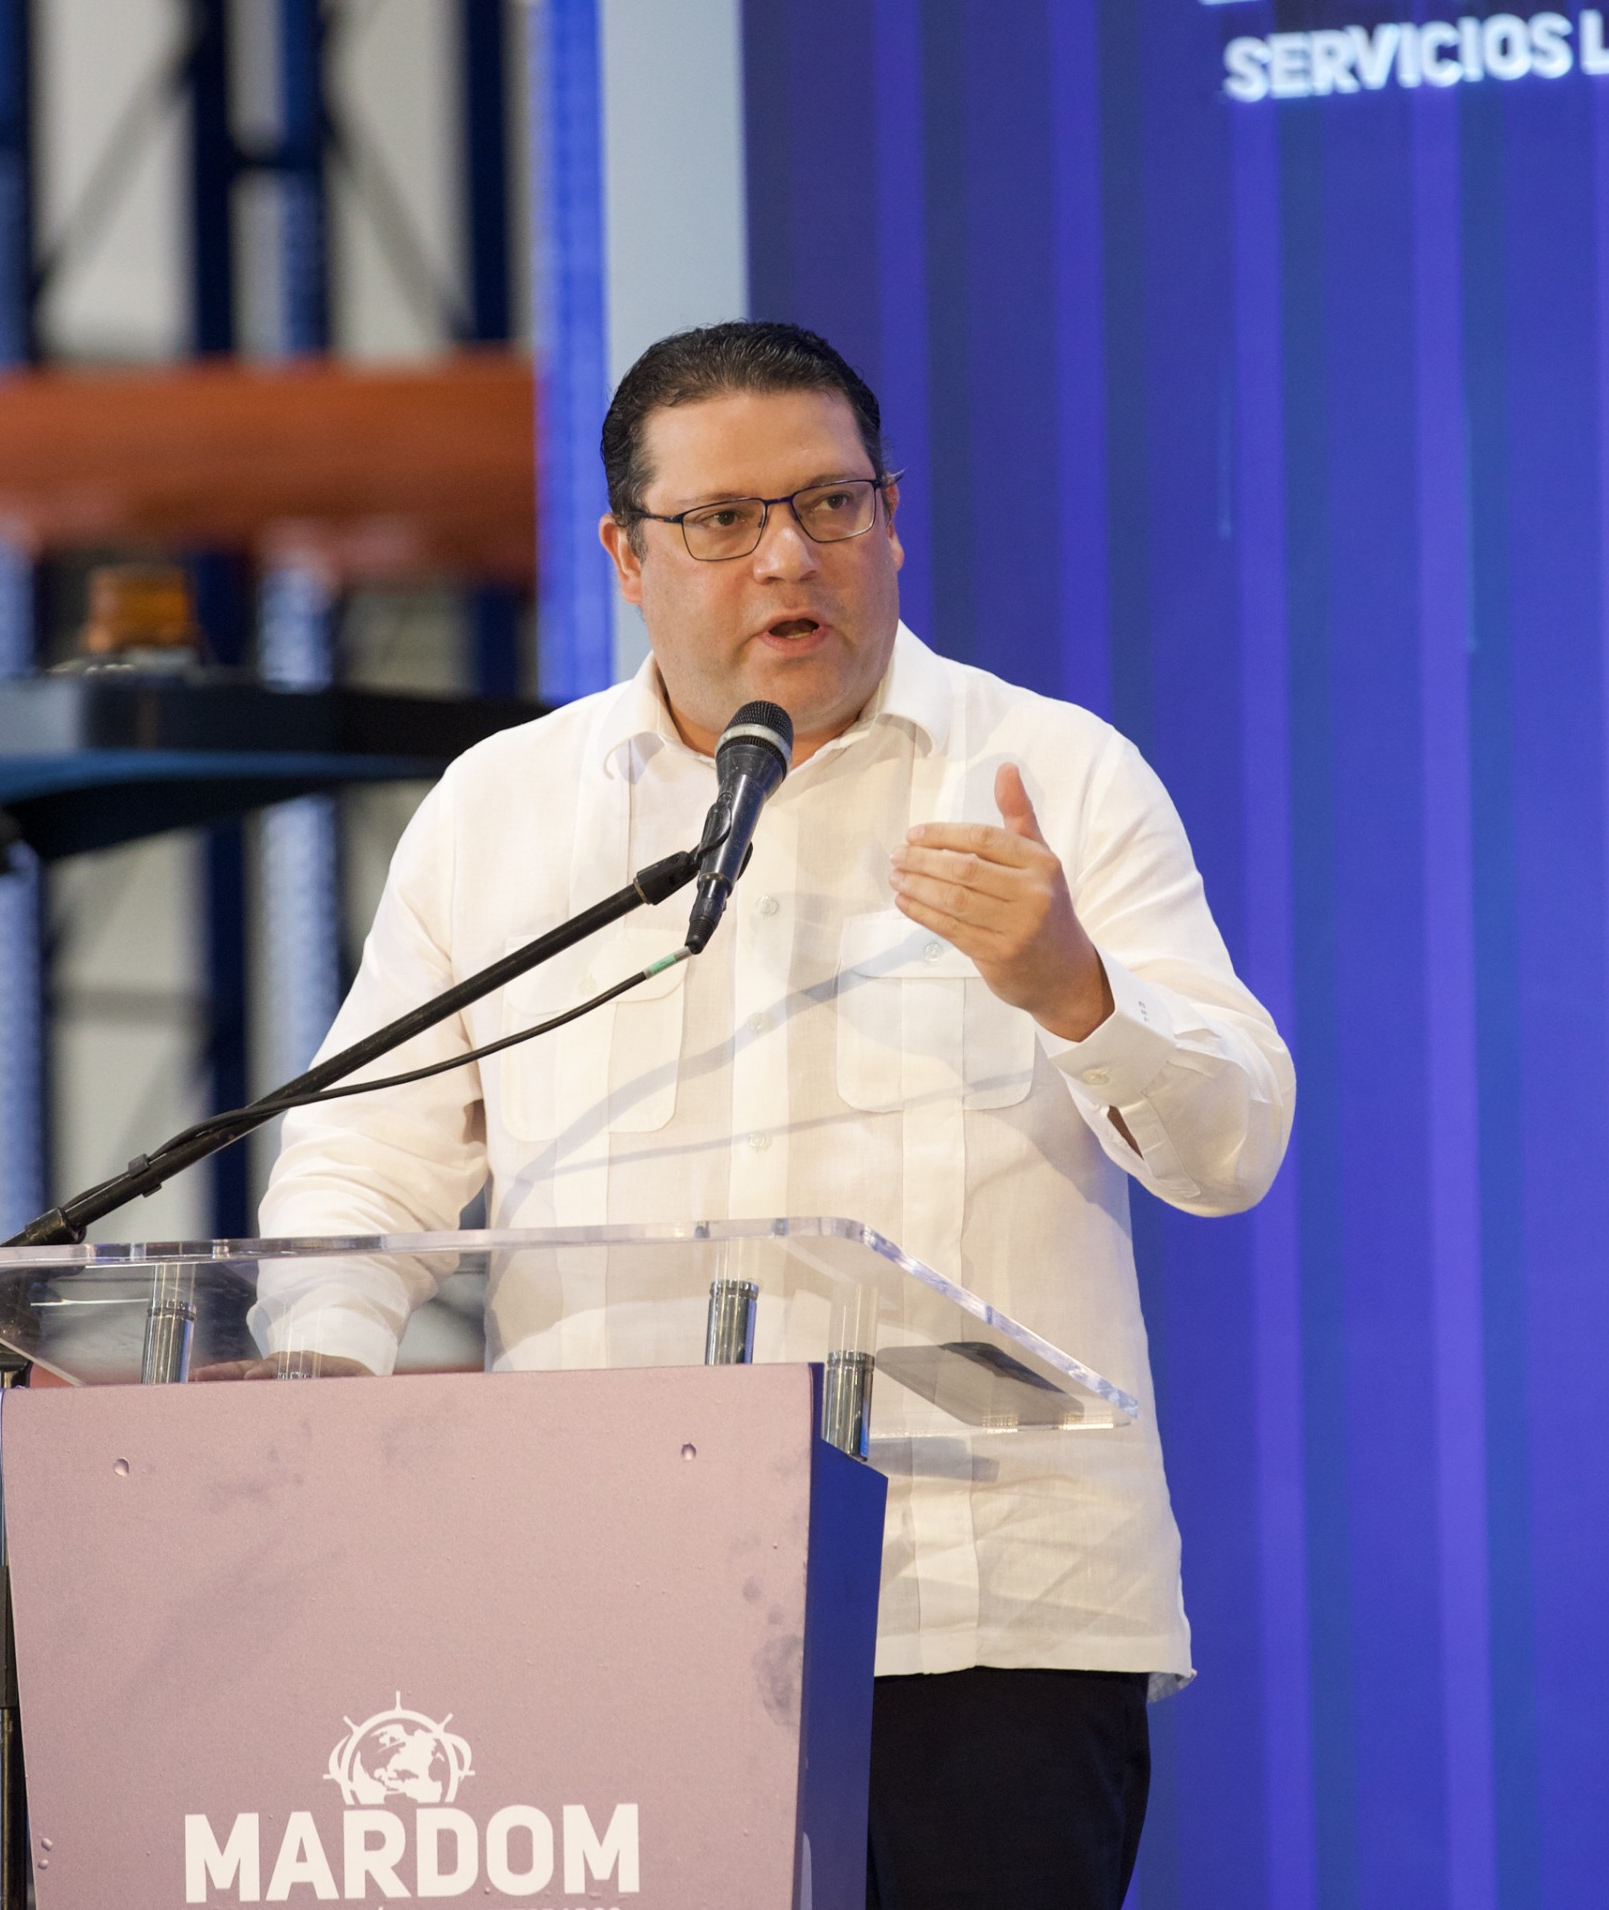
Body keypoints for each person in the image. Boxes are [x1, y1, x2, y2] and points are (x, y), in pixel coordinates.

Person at [256, 321, 1295, 1909]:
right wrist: (323, 1375)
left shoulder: (1054, 775)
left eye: (830, 504)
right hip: (604, 1600)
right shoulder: (504, 812)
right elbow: (365, 1147)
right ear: (626, 555)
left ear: (893, 516)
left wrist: (1079, 990)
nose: (790, 556)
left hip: (985, 1618)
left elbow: (1234, 1143)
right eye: (725, 520)